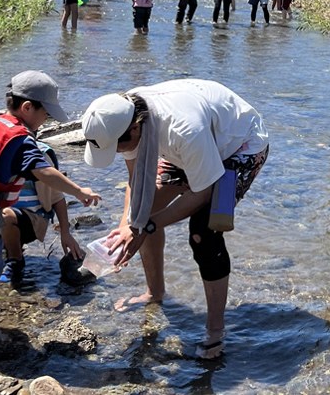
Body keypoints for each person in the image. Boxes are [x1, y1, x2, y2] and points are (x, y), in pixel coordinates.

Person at [81, 79, 269, 360]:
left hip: (240, 144)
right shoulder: (124, 113)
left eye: (119, 147)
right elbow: (137, 181)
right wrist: (129, 225)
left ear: (135, 128)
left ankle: (215, 330)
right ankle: (154, 293)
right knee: (139, 215)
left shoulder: (182, 129)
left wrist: (148, 226)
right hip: (193, 146)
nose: (118, 152)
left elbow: (202, 192)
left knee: (204, 233)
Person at [0, 71, 100, 355]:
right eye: (46, 114)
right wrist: (80, 192)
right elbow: (44, 172)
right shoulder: (20, 139)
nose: (46, 121)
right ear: (27, 107)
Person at [0, 140, 83, 284]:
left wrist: (65, 233)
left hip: (33, 219)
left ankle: (15, 260)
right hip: (1, 215)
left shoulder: (41, 156)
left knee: (5, 215)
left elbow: (57, 197)